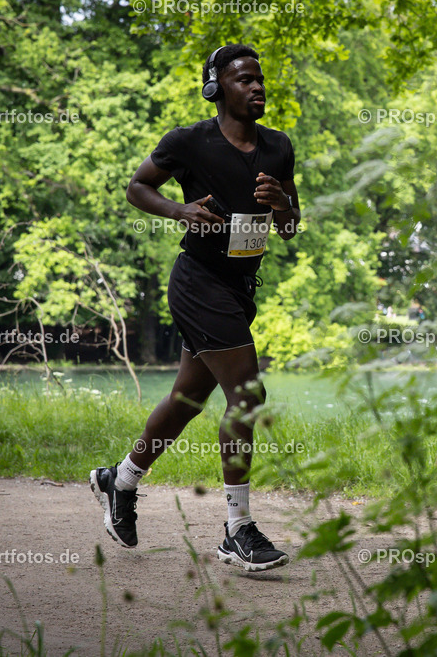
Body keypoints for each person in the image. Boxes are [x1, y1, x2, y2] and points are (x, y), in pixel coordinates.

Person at [90, 44, 299, 572]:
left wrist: (283, 207)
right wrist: (180, 210)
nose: (257, 87)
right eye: (245, 80)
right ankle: (237, 528)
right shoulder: (190, 143)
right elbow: (138, 187)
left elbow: (291, 226)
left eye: (260, 79)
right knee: (248, 394)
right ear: (218, 88)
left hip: (239, 289)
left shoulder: (279, 148)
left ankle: (121, 479)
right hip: (197, 281)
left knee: (187, 397)